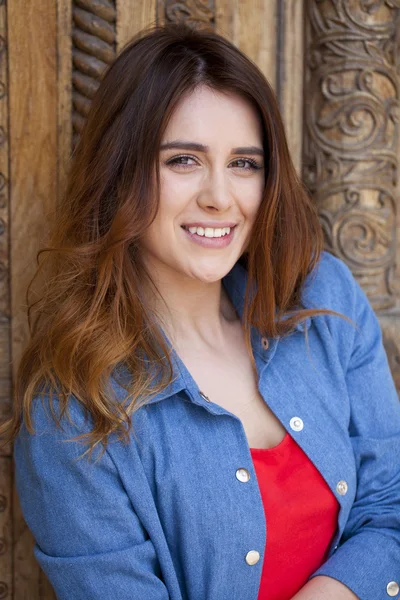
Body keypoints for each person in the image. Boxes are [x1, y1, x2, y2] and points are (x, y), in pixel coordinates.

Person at [2, 21, 399, 600]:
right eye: (183, 161)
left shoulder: (321, 298)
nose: (219, 196)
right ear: (121, 173)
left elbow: (392, 503)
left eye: (244, 163)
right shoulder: (72, 412)